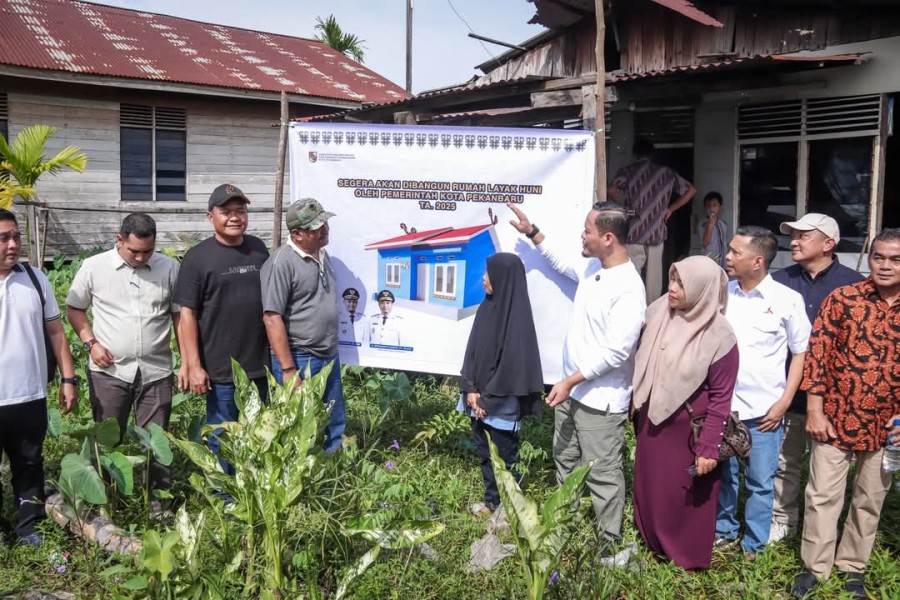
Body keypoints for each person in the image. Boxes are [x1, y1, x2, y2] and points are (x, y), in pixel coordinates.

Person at [507, 201, 646, 551]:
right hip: (573, 391)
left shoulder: (629, 288)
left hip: (601, 398)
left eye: (588, 231)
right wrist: (532, 232)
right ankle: (565, 523)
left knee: (601, 472)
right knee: (565, 458)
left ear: (609, 238)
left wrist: (571, 380)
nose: (582, 236)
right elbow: (561, 261)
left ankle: (607, 544)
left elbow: (618, 352)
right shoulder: (591, 269)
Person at [790, 228, 900, 600]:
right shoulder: (844, 299)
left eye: (895, 259)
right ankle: (814, 568)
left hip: (888, 425)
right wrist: (815, 411)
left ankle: (853, 567)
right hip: (836, 418)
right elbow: (817, 359)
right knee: (821, 495)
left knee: (869, 498)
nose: (885, 265)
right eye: (878, 257)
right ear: (869, 258)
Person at [632, 256, 739, 570]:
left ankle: (686, 558)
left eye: (681, 283)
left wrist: (708, 447)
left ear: (702, 289)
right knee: (652, 488)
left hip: (689, 432)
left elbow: (721, 398)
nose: (673, 288)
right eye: (672, 279)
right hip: (652, 423)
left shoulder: (719, 335)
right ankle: (651, 543)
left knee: (685, 494)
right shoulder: (658, 312)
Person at [66, 213, 180, 495]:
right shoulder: (94, 267)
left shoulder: (169, 268)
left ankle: (155, 501)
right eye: (135, 251)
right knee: (107, 440)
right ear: (119, 240)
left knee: (155, 441)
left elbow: (180, 316)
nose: (142, 258)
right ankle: (106, 500)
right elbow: (74, 308)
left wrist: (188, 359)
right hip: (110, 371)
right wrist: (91, 343)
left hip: (156, 370)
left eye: (148, 251)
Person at [715, 226, 811, 561]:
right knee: (724, 477)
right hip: (723, 409)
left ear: (757, 261)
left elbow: (801, 352)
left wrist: (784, 402)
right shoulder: (722, 294)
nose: (727, 257)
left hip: (764, 412)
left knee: (760, 482)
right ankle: (723, 532)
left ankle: (753, 544)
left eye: (734, 252)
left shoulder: (786, 300)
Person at [768, 213, 863, 544]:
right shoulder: (779, 280)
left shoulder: (854, 285)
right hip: (789, 390)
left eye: (803, 235)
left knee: (829, 469)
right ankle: (783, 518)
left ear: (828, 244)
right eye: (792, 235)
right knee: (786, 460)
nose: (793, 241)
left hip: (835, 395)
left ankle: (822, 528)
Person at [174, 183, 269, 473]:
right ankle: (224, 495)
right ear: (210, 217)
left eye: (240, 211)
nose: (234, 217)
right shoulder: (197, 258)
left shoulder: (258, 248)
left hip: (260, 364)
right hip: (221, 368)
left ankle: (251, 489)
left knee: (259, 432)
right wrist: (193, 365)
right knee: (221, 434)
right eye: (225, 211)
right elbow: (186, 315)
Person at [0, 209, 77, 547]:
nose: (13, 244)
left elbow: (57, 333)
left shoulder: (35, 278)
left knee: (29, 464)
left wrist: (68, 378)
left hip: (29, 394)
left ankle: (28, 525)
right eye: (4, 238)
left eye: (16, 236)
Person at [457, 253, 544, 516]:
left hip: (500, 404)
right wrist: (470, 388)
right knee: (485, 452)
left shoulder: (518, 321)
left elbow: (511, 368)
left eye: (489, 273)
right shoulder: (487, 307)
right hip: (478, 399)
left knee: (505, 458)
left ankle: (510, 511)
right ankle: (492, 502)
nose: (484, 278)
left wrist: (487, 400)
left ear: (503, 279)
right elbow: (472, 351)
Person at [262, 198, 345, 453]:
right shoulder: (281, 263)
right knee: (299, 425)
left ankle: (333, 472)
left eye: (325, 223)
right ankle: (301, 481)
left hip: (328, 354)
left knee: (334, 419)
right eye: (316, 227)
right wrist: (288, 370)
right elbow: (271, 317)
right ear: (297, 234)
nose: (324, 230)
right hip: (300, 357)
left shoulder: (322, 254)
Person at [608, 138, 697, 303]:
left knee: (632, 274)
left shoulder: (628, 171)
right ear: (652, 154)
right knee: (654, 278)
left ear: (635, 154)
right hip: (656, 230)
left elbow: (612, 189)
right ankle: (653, 312)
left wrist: (623, 208)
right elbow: (691, 190)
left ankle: (631, 306)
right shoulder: (666, 173)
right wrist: (670, 208)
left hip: (634, 230)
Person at [698, 192, 728, 269]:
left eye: (714, 205)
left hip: (721, 264)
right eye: (708, 206)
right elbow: (705, 243)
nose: (711, 209)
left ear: (720, 207)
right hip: (708, 263)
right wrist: (710, 225)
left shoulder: (723, 224)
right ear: (705, 208)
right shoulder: (703, 224)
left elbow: (724, 244)